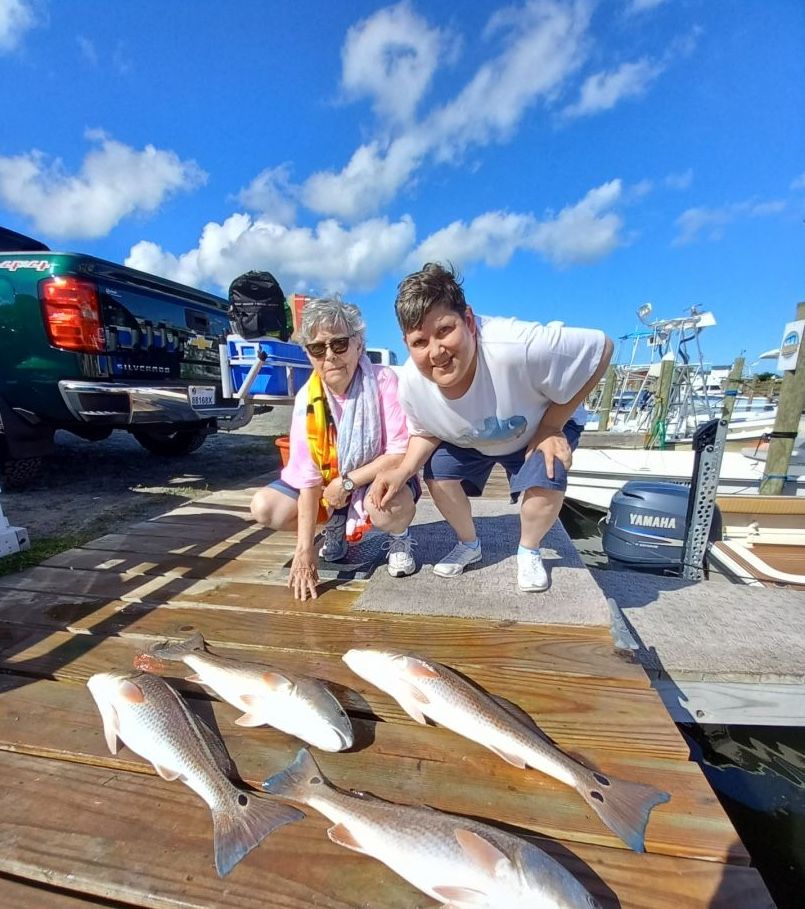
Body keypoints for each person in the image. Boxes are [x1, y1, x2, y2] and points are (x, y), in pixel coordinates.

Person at [369, 263, 613, 593]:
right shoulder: (411, 383)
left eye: (444, 331)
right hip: (477, 440)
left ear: (468, 320)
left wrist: (552, 425)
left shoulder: (520, 347)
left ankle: (529, 549)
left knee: (549, 470)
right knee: (437, 470)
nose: (436, 352)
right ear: (406, 343)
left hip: (539, 425)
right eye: (420, 341)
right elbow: (425, 432)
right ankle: (469, 544)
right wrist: (403, 470)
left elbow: (601, 350)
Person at [250, 296, 418, 600]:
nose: (330, 356)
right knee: (265, 508)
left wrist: (348, 481)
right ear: (309, 354)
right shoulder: (307, 398)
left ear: (358, 344)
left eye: (339, 344)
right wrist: (304, 551)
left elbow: (399, 452)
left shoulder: (383, 381)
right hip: (329, 484)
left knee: (385, 505)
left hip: (375, 478)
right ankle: (334, 524)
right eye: (317, 348)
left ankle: (399, 536)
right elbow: (308, 478)